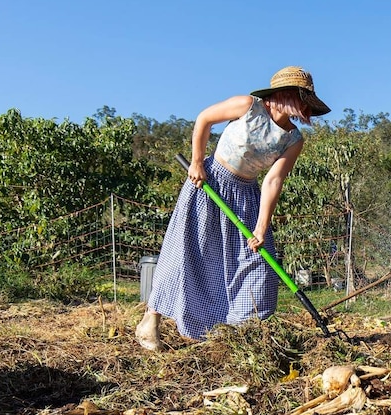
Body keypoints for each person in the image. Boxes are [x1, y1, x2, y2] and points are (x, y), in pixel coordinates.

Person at [135, 66, 331, 351]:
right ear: (286, 95)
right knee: (186, 252)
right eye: (302, 99)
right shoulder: (248, 106)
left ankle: (240, 334)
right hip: (209, 183)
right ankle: (150, 319)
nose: (304, 108)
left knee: (258, 264)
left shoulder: (293, 140)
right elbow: (204, 119)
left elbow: (273, 180)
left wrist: (261, 227)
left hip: (245, 196)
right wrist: (197, 162)